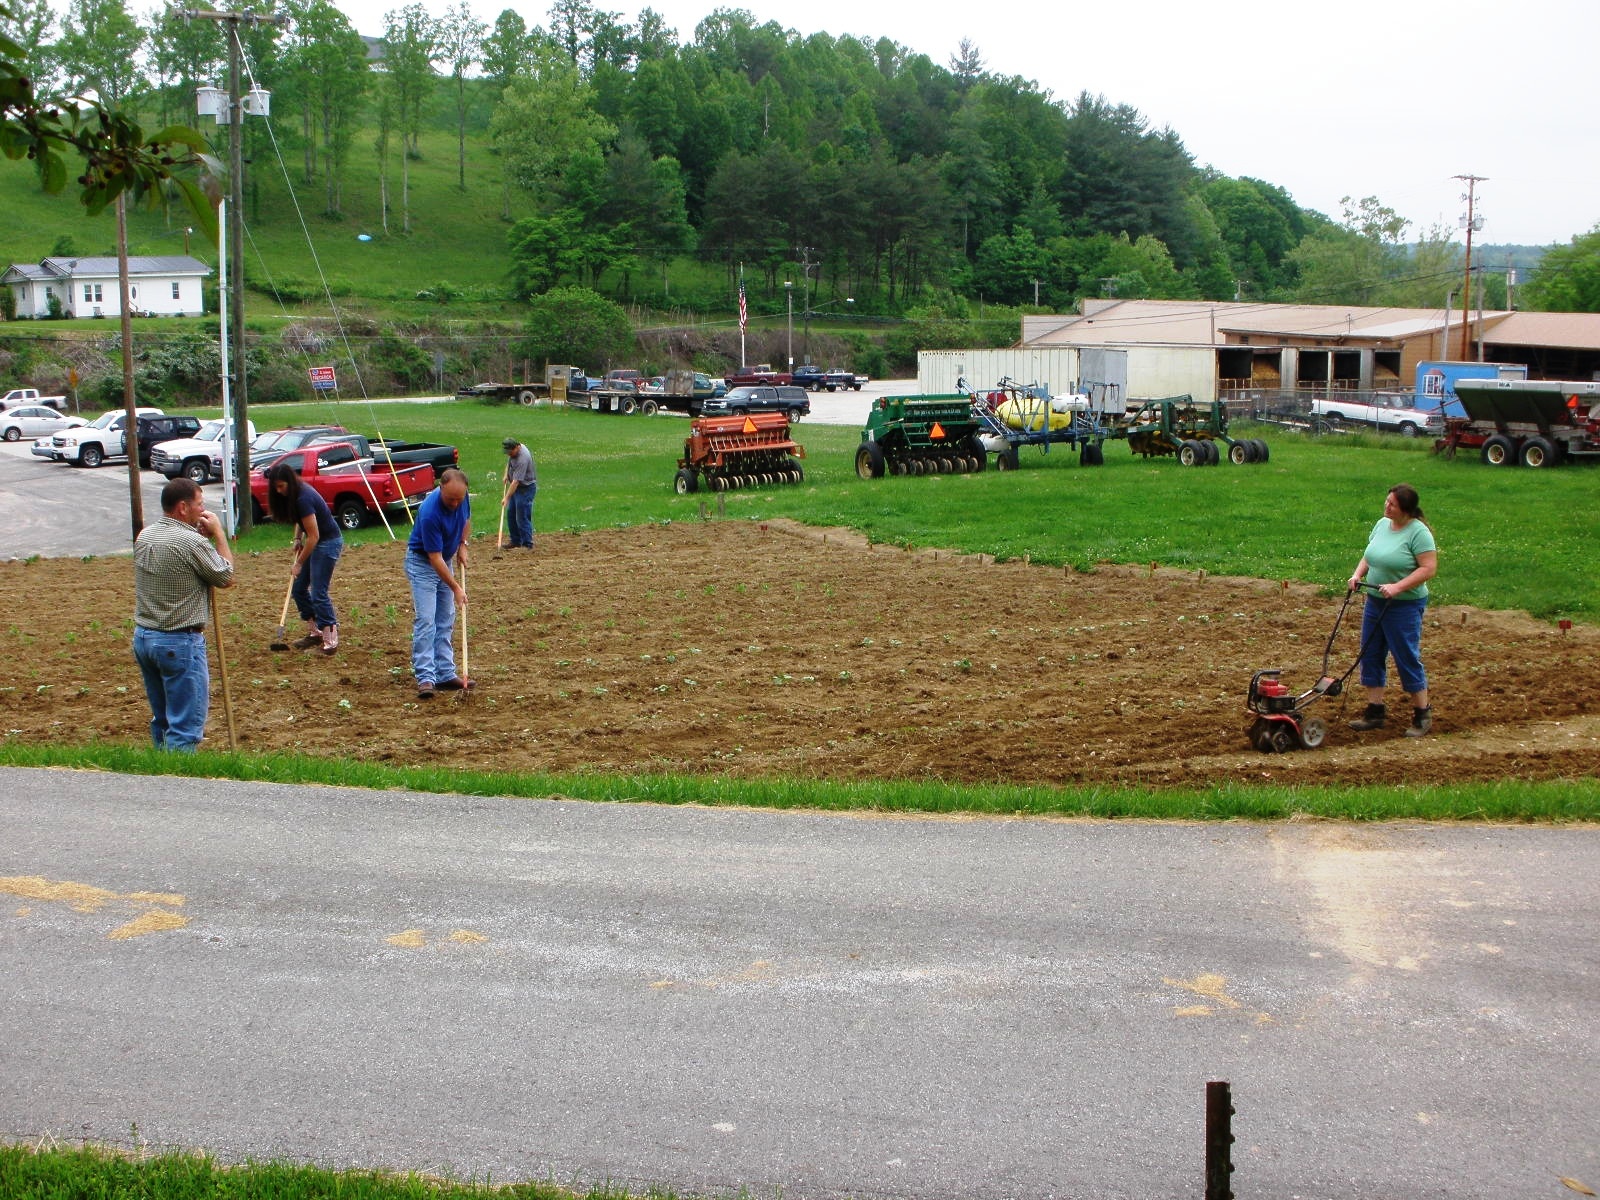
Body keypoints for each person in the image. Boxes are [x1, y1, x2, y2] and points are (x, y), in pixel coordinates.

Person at [131, 476, 235, 751]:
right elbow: (225, 577)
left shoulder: (145, 535)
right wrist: (219, 535)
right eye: (199, 504)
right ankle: (177, 784)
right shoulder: (191, 543)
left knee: (163, 720)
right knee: (185, 727)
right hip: (178, 642)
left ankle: (160, 772)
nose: (203, 510)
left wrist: (200, 540)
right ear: (182, 507)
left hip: (144, 638)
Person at [1346, 483, 1438, 737]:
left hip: (1404, 605)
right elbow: (1370, 555)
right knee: (1371, 653)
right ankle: (1374, 711)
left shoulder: (1418, 533)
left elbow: (1428, 568)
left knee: (1405, 656)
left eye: (1392, 505)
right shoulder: (1381, 524)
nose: (1386, 506)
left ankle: (1422, 714)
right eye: (1386, 501)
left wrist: (1398, 587)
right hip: (1375, 600)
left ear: (1405, 510)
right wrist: (1356, 575)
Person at [405, 467, 471, 699]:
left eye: (459, 499)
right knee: (426, 620)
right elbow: (434, 558)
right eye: (450, 499)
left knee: (446, 619)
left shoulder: (461, 499)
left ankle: (445, 673)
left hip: (445, 561)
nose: (455, 504)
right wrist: (455, 587)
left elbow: (466, 520)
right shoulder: (429, 512)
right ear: (440, 488)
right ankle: (426, 677)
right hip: (424, 564)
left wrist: (463, 543)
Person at [265, 460, 344, 655]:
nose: (279, 491)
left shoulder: (303, 498)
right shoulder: (295, 496)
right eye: (275, 487)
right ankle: (315, 631)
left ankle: (330, 641)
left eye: (281, 486)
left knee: (319, 592)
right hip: (315, 541)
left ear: (289, 483)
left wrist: (299, 563)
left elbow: (315, 536)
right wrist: (297, 538)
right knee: (299, 588)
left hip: (327, 543)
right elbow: (301, 521)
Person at [501, 436, 537, 549]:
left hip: (525, 489)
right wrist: (506, 474)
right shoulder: (513, 452)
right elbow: (510, 461)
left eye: (510, 452)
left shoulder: (523, 458)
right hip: (516, 488)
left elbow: (516, 482)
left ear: (517, 447)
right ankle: (516, 541)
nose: (509, 454)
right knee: (511, 513)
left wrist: (506, 498)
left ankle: (527, 543)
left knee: (522, 516)